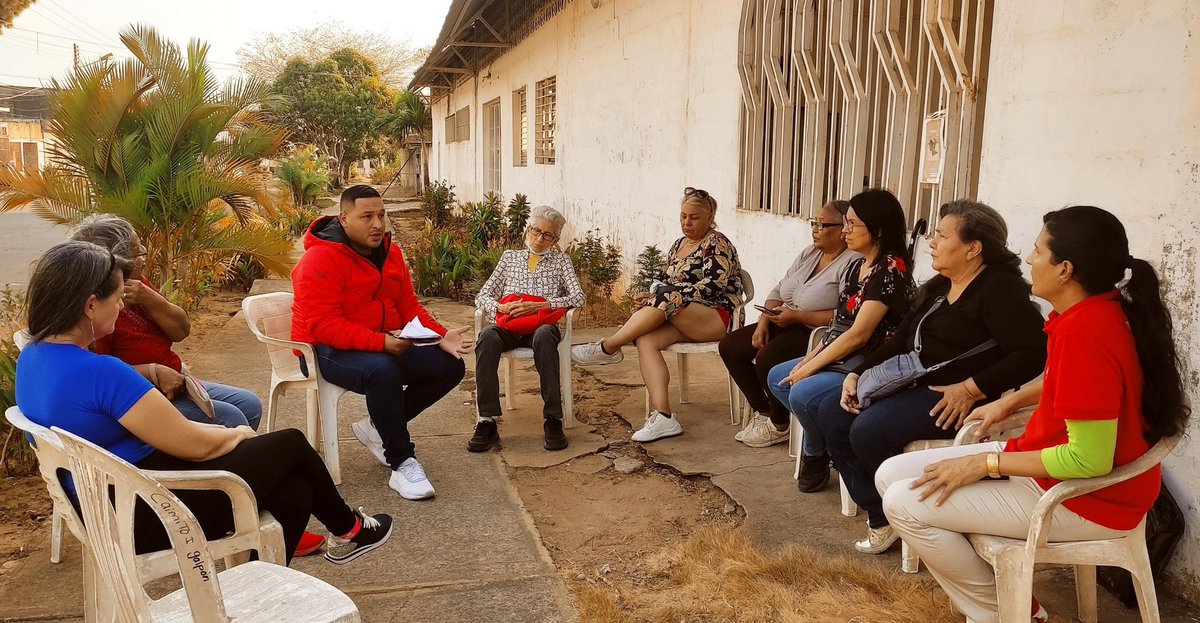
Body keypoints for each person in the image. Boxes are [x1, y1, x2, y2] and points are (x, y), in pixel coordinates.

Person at [876, 206, 1189, 623]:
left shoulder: (1086, 334)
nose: (1028, 259)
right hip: (1053, 461)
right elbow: (1069, 379)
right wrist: (1009, 402)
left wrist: (984, 464)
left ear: (1065, 270)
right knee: (890, 474)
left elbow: (1088, 460)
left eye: (1039, 250)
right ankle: (1002, 598)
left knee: (904, 502)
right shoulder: (1091, 312)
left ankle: (1007, 612)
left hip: (1091, 497)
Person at [16, 241, 392, 565]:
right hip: (145, 512)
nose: (121, 308)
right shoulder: (101, 372)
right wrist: (240, 435)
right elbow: (193, 446)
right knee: (290, 444)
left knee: (296, 492)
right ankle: (348, 530)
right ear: (90, 306)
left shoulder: (33, 356)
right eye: (116, 299)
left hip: (102, 504)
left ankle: (260, 589)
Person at [817, 200, 1047, 556]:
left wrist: (972, 389)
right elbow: (899, 341)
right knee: (832, 413)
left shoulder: (999, 289)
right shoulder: (942, 284)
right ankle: (883, 512)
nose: (931, 241)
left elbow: (1033, 353)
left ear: (973, 248)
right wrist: (858, 374)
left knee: (868, 430)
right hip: (911, 382)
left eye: (941, 234)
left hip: (956, 400)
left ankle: (909, 515)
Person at [291, 184, 473, 501]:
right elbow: (323, 326)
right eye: (367, 216)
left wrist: (441, 335)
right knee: (382, 370)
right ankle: (402, 462)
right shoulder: (319, 259)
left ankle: (378, 425)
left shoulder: (390, 252)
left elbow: (408, 306)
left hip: (380, 340)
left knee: (449, 366)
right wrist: (382, 343)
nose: (378, 224)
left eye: (381, 215)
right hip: (324, 349)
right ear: (344, 219)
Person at [766, 188, 912, 492]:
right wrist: (807, 361)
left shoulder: (891, 268)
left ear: (878, 228)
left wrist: (808, 370)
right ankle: (823, 446)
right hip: (841, 352)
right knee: (778, 375)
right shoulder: (857, 265)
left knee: (800, 393)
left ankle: (814, 452)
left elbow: (859, 334)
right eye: (844, 223)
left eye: (852, 224)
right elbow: (837, 326)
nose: (845, 231)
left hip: (870, 359)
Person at [571, 186, 744, 442]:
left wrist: (664, 295)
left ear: (710, 217)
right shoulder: (679, 244)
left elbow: (713, 287)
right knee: (646, 340)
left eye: (694, 217)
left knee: (667, 296)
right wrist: (650, 296)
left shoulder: (717, 243)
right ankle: (664, 417)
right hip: (682, 314)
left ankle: (608, 347)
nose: (687, 222)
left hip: (716, 316)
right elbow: (662, 279)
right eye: (683, 215)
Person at [70, 214, 262, 429]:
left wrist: (150, 297)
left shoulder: (136, 286)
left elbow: (181, 331)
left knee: (249, 404)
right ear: (114, 261)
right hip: (138, 395)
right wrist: (153, 371)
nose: (143, 260)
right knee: (232, 419)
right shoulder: (100, 310)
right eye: (137, 254)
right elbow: (97, 374)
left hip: (172, 380)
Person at [720, 200, 860, 448]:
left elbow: (844, 315)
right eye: (813, 223)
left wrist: (797, 317)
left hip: (815, 331)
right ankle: (763, 410)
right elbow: (780, 287)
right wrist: (764, 319)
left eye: (822, 224)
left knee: (767, 357)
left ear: (842, 229)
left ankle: (779, 422)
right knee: (731, 346)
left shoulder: (852, 262)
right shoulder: (810, 253)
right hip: (783, 318)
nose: (815, 229)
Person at [472, 205, 585, 452]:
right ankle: (487, 420)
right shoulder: (509, 258)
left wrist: (543, 305)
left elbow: (578, 297)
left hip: (541, 326)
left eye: (548, 235)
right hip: (508, 326)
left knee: (546, 336)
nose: (540, 238)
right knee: (487, 337)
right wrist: (500, 309)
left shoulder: (561, 261)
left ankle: (552, 419)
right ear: (528, 230)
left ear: (555, 239)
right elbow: (483, 296)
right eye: (536, 231)